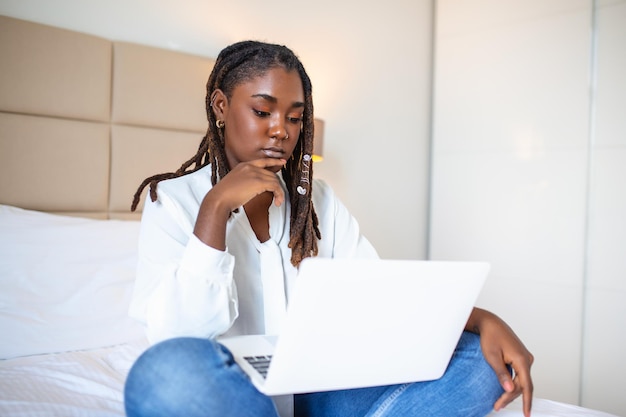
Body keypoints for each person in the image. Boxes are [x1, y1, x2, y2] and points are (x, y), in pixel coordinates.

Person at [123, 40, 534, 417]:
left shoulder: (318, 201)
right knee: (163, 374)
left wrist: (481, 319)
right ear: (220, 105)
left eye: (296, 118)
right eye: (263, 112)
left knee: (481, 361)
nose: (281, 130)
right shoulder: (173, 201)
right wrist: (214, 209)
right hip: (233, 393)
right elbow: (178, 337)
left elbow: (378, 296)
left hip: (320, 389)